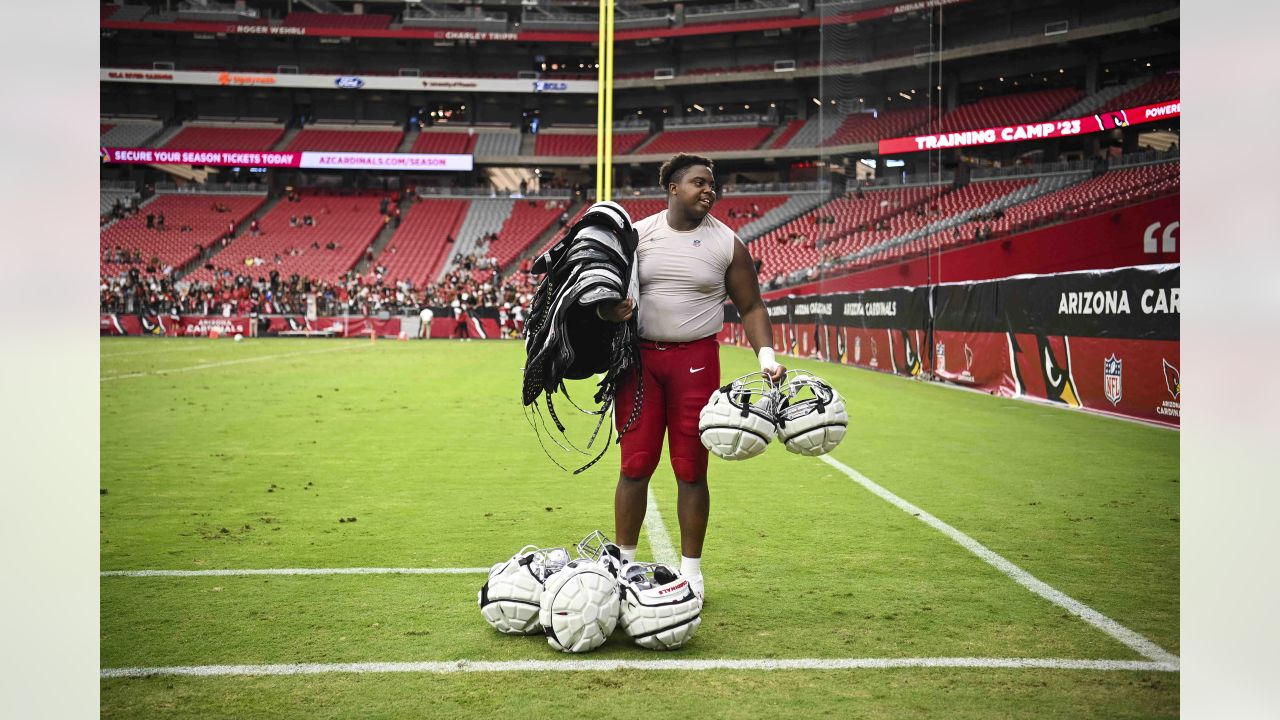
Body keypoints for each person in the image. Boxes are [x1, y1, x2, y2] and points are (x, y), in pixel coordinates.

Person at [596, 153, 785, 602]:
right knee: (635, 464)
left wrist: (767, 357)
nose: (709, 190)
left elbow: (752, 306)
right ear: (673, 188)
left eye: (712, 184)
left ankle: (692, 572)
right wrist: (609, 310)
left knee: (691, 469)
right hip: (638, 358)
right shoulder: (638, 236)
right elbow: (602, 295)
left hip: (696, 360)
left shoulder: (727, 243)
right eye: (699, 182)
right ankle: (623, 565)